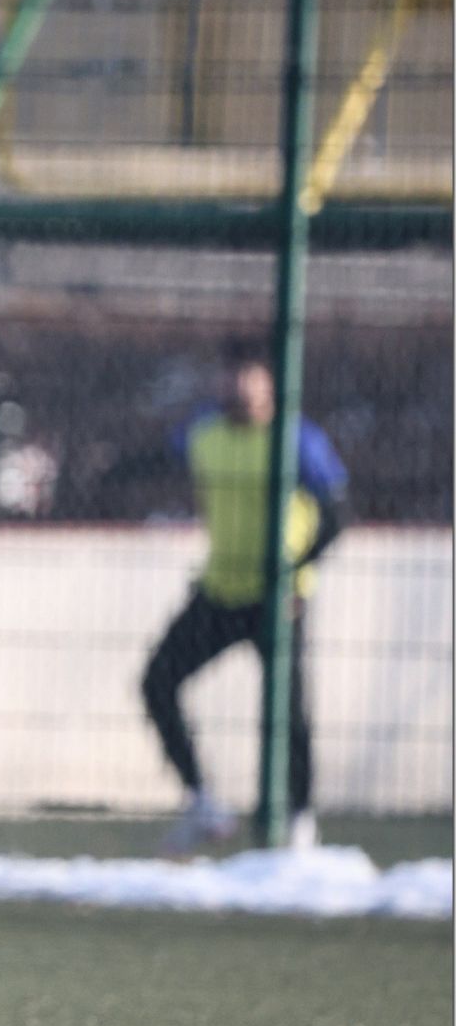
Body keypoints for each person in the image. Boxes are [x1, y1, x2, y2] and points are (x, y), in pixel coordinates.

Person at [145, 349, 347, 856]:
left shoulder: (297, 439)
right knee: (158, 682)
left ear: (271, 385)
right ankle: (203, 803)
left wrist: (296, 576)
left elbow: (338, 516)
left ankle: (300, 823)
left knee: (288, 711)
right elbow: (152, 458)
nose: (241, 389)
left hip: (278, 602)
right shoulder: (204, 432)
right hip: (219, 592)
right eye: (232, 378)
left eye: (251, 380)